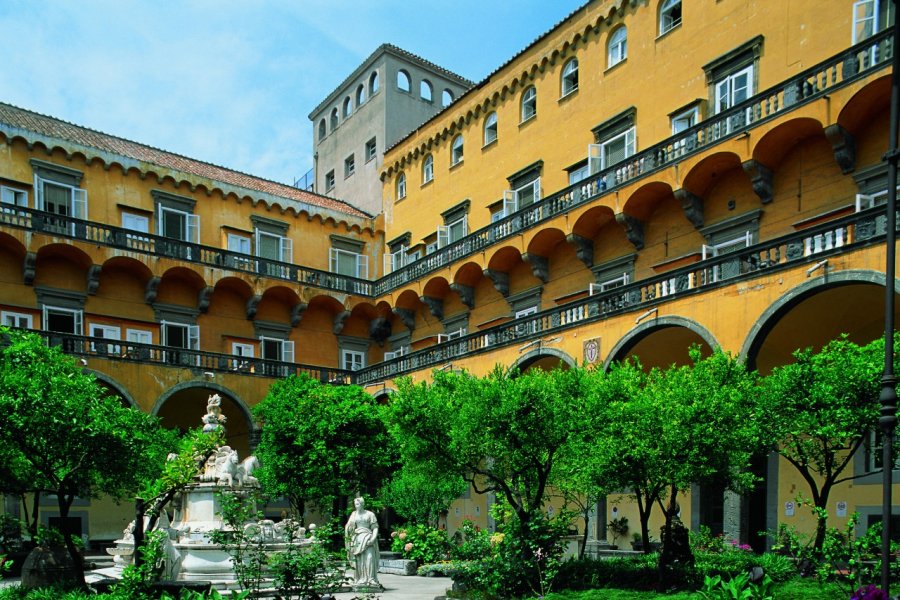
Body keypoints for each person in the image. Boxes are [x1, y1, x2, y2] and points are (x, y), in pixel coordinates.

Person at [344, 497, 381, 588]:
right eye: (355, 504)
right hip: (357, 540)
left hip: (368, 538)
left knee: (370, 558)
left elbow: (375, 527)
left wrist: (372, 539)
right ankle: (361, 579)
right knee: (359, 561)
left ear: (362, 504)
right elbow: (349, 527)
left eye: (358, 504)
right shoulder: (353, 514)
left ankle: (371, 579)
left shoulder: (370, 514)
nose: (356, 506)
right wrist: (349, 529)